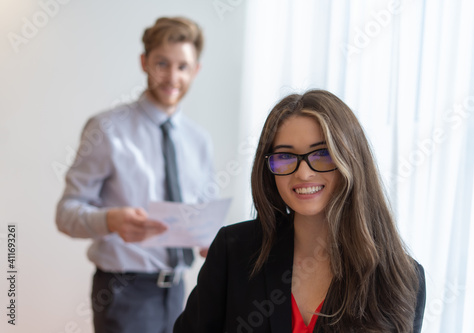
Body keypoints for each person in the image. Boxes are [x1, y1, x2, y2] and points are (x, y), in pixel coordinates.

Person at [174, 89, 426, 332]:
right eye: (285, 156)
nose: (303, 173)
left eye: (322, 154)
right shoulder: (233, 250)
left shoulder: (402, 278)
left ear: (350, 159)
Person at [56, 17, 214, 333]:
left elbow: (202, 216)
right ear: (144, 63)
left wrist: (209, 239)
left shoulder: (199, 141)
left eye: (183, 66)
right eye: (162, 63)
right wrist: (109, 220)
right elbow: (65, 214)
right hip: (123, 292)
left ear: (196, 70)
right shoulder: (106, 129)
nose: (172, 76)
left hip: (181, 291)